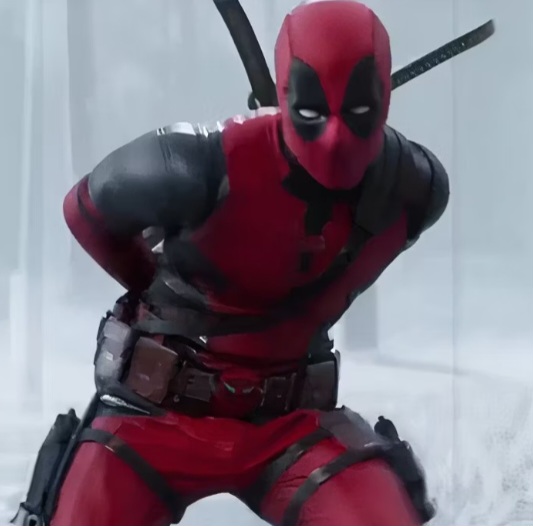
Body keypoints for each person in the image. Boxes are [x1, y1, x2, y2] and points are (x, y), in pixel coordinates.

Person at [14, 2, 449, 525]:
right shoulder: (191, 167)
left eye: (358, 114)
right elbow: (85, 212)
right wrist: (154, 289)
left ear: (383, 102)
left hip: (293, 425)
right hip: (153, 417)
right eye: (312, 113)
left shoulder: (410, 189)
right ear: (286, 97)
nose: (335, 139)